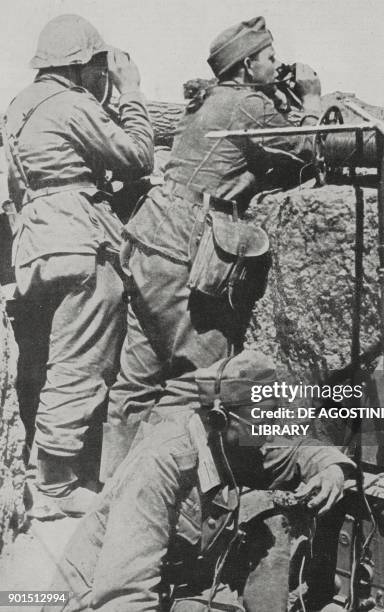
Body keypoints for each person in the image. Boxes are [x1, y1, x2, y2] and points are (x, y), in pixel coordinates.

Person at [105, 16, 323, 462]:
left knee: (138, 377)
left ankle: (115, 487)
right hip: (182, 246)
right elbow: (305, 148)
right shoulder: (248, 104)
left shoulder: (211, 100)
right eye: (270, 58)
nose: (277, 65)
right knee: (207, 375)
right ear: (246, 67)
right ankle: (169, 485)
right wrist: (312, 100)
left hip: (151, 238)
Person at [47, 350, 354, 612]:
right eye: (264, 420)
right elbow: (125, 593)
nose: (270, 432)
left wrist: (331, 469)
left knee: (268, 516)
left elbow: (297, 451)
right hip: (95, 599)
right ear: (221, 418)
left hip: (178, 584)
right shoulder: (161, 464)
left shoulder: (232, 438)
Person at [3, 14, 154, 518]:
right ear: (80, 65)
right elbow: (137, 156)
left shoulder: (21, 106)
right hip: (79, 246)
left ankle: (36, 468)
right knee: (78, 365)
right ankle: (56, 488)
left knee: (42, 363)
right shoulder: (72, 104)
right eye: (96, 66)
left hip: (37, 245)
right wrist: (130, 94)